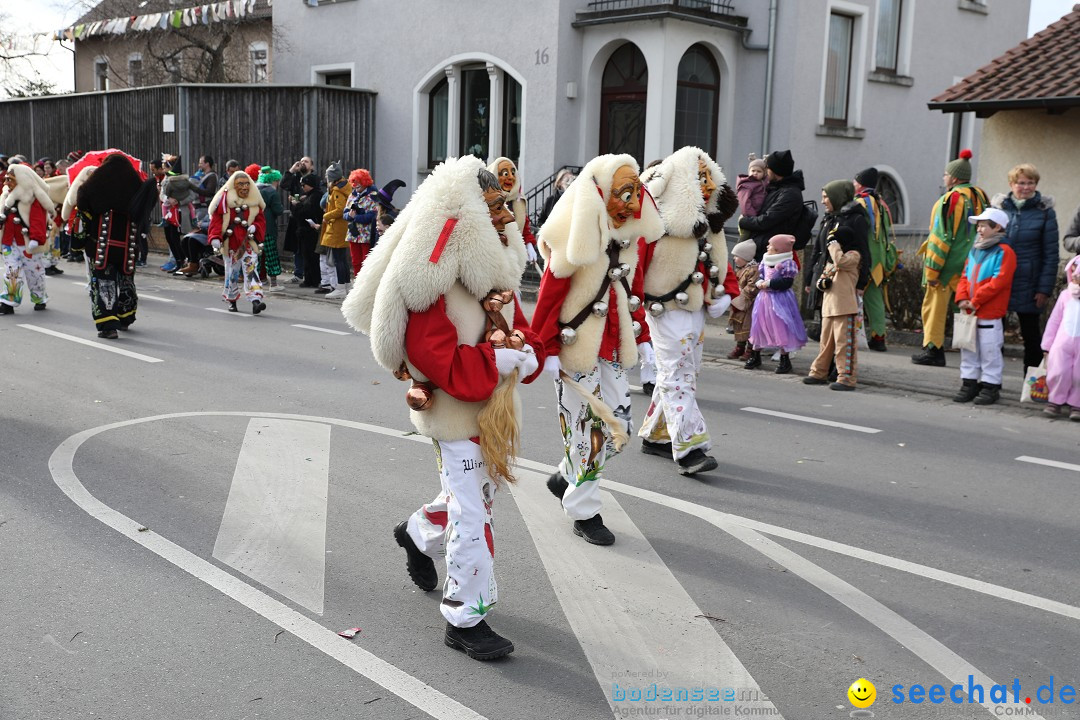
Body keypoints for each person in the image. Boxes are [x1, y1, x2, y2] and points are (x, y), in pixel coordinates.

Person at [341, 156, 545, 661]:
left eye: (505, 205)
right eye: (494, 206)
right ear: (469, 211)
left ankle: (417, 532)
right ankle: (465, 615)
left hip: (492, 404)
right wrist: (496, 360)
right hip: (454, 408)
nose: (505, 216)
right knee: (474, 511)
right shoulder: (432, 271)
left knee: (476, 496)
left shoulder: (491, 258)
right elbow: (434, 354)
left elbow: (514, 319)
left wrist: (533, 349)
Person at [531, 153, 664, 545]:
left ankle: (566, 476)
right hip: (575, 349)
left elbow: (632, 292)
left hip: (612, 347)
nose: (632, 202)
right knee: (586, 433)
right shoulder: (576, 235)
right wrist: (546, 350)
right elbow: (549, 296)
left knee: (619, 426)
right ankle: (585, 512)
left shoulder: (629, 238)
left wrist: (642, 339)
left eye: (634, 191)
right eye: (623, 192)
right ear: (601, 194)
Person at [636, 146, 739, 475]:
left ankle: (656, 434)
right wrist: (633, 312)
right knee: (676, 372)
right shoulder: (656, 222)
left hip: (695, 307)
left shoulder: (707, 221)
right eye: (700, 177)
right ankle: (689, 446)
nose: (707, 184)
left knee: (687, 370)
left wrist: (728, 291)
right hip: (663, 307)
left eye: (709, 175)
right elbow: (633, 266)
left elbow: (719, 259)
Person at [912, 149, 989, 367]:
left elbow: (940, 238)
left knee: (933, 308)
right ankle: (975, 352)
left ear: (954, 178)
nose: (944, 178)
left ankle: (934, 350)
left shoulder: (950, 200)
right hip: (972, 264)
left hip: (947, 267)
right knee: (967, 309)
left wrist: (932, 271)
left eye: (946, 175)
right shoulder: (980, 196)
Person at [68, 153, 157, 338]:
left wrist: (77, 243)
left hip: (101, 244)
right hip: (127, 246)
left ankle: (108, 325)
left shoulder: (94, 185)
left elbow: (83, 217)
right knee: (126, 281)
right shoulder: (136, 185)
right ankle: (125, 317)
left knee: (103, 283)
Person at [991, 163, 1059, 371]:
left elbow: (1051, 254)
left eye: (1031, 183)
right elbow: (987, 245)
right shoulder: (999, 210)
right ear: (1011, 184)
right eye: (1021, 183)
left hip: (1030, 282)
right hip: (999, 279)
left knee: (1031, 336)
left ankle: (1031, 385)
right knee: (993, 335)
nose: (1026, 187)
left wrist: (1044, 289)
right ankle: (991, 381)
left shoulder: (1045, 213)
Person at [951, 208, 1016, 406]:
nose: (978, 229)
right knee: (968, 349)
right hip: (970, 310)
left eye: (983, 225)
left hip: (989, 312)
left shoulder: (1005, 252)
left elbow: (999, 281)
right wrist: (962, 297)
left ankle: (990, 386)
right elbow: (964, 275)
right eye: (978, 225)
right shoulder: (976, 249)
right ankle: (969, 383)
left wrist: (976, 300)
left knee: (989, 350)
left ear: (997, 227)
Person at [804, 226, 862, 390]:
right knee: (826, 345)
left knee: (844, 345)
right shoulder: (833, 259)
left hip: (844, 308)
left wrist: (833, 243)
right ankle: (819, 372)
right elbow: (823, 278)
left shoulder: (853, 256)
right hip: (828, 308)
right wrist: (821, 284)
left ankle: (846, 377)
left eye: (835, 242)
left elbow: (840, 262)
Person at [805, 180, 869, 317]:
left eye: (826, 197)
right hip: (823, 277)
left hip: (842, 281)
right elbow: (818, 250)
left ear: (837, 197)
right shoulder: (828, 218)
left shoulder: (856, 219)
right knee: (825, 321)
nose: (822, 202)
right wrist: (809, 277)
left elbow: (864, 252)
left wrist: (861, 284)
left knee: (840, 324)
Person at [208, 170, 267, 314]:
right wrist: (215, 236)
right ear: (234, 185)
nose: (245, 187)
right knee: (232, 273)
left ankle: (255, 301)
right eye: (241, 184)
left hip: (248, 243)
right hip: (231, 244)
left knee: (251, 270)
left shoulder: (254, 203)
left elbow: (261, 220)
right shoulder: (225, 201)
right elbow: (217, 220)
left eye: (247, 184)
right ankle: (232, 299)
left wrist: (256, 226)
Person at [746, 234, 807, 372]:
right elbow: (761, 275)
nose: (767, 247)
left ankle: (784, 359)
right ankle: (755, 354)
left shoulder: (787, 263)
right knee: (759, 326)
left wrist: (769, 283)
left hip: (780, 299)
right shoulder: (765, 261)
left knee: (781, 327)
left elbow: (787, 282)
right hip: (764, 299)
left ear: (779, 250)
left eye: (771, 245)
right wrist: (759, 281)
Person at [853, 167, 897, 352]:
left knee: (866, 297)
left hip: (866, 258)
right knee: (875, 297)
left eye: (855, 181)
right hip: (879, 258)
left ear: (861, 183)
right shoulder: (881, 203)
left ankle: (871, 337)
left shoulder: (862, 203)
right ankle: (878, 336)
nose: (853, 184)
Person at [0, 163, 54, 315]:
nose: (7, 183)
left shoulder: (32, 197)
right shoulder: (5, 196)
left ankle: (39, 297)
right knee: (12, 271)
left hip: (28, 242)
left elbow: (38, 218)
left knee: (34, 273)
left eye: (10, 179)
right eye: (6, 179)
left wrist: (36, 238)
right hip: (9, 242)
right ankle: (8, 301)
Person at [737, 149, 806, 261]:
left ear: (775, 171)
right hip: (763, 250)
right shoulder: (776, 188)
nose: (766, 171)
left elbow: (767, 220)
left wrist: (744, 221)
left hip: (772, 256)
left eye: (767, 168)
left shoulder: (790, 194)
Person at [1041, 256, 1080, 420]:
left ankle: (1077, 403)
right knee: (1058, 370)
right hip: (1062, 341)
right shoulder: (1065, 295)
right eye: (1075, 274)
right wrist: (1047, 345)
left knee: (1078, 375)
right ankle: (1055, 400)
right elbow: (1055, 320)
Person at [487, 157, 539, 265]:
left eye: (513, 173)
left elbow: (524, 228)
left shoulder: (518, 201)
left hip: (512, 257)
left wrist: (529, 245)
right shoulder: (485, 200)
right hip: (490, 256)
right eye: (505, 174)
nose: (510, 177)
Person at [318, 161, 352, 299]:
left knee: (339, 259)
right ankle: (347, 286)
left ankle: (340, 287)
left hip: (337, 228)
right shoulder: (344, 187)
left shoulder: (337, 191)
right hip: (342, 228)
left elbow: (339, 209)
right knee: (342, 259)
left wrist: (326, 215)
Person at [728, 239, 760, 361]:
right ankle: (739, 346)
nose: (735, 259)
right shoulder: (740, 269)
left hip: (748, 304)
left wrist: (742, 292)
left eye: (737, 256)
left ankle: (750, 349)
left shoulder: (753, 270)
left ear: (745, 257)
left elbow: (752, 286)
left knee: (748, 325)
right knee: (738, 324)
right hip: (738, 301)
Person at [343, 168, 377, 277]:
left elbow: (373, 215)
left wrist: (356, 217)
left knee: (366, 262)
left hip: (366, 235)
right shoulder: (352, 196)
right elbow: (345, 213)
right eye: (353, 182)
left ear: (365, 182)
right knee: (355, 262)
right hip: (353, 234)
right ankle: (357, 284)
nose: (355, 184)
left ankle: (365, 285)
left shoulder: (373, 195)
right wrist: (349, 215)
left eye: (358, 182)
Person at [256, 167, 285, 291]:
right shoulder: (272, 192)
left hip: (254, 227)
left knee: (256, 255)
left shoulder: (254, 190)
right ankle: (273, 284)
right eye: (277, 181)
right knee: (271, 255)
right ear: (273, 180)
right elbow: (278, 210)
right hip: (268, 227)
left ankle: (256, 281)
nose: (278, 183)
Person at [293, 173, 324, 289]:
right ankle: (310, 278)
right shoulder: (310, 196)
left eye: (304, 185)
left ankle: (313, 279)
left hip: (311, 231)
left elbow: (307, 212)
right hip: (306, 230)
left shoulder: (315, 196)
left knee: (311, 256)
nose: (302, 187)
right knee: (307, 256)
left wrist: (297, 206)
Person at [736, 153, 768, 238]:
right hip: (748, 218)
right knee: (745, 238)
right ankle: (737, 251)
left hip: (757, 217)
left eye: (759, 171)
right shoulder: (747, 185)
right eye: (753, 171)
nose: (755, 173)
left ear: (764, 173)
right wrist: (753, 217)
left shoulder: (763, 183)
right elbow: (745, 203)